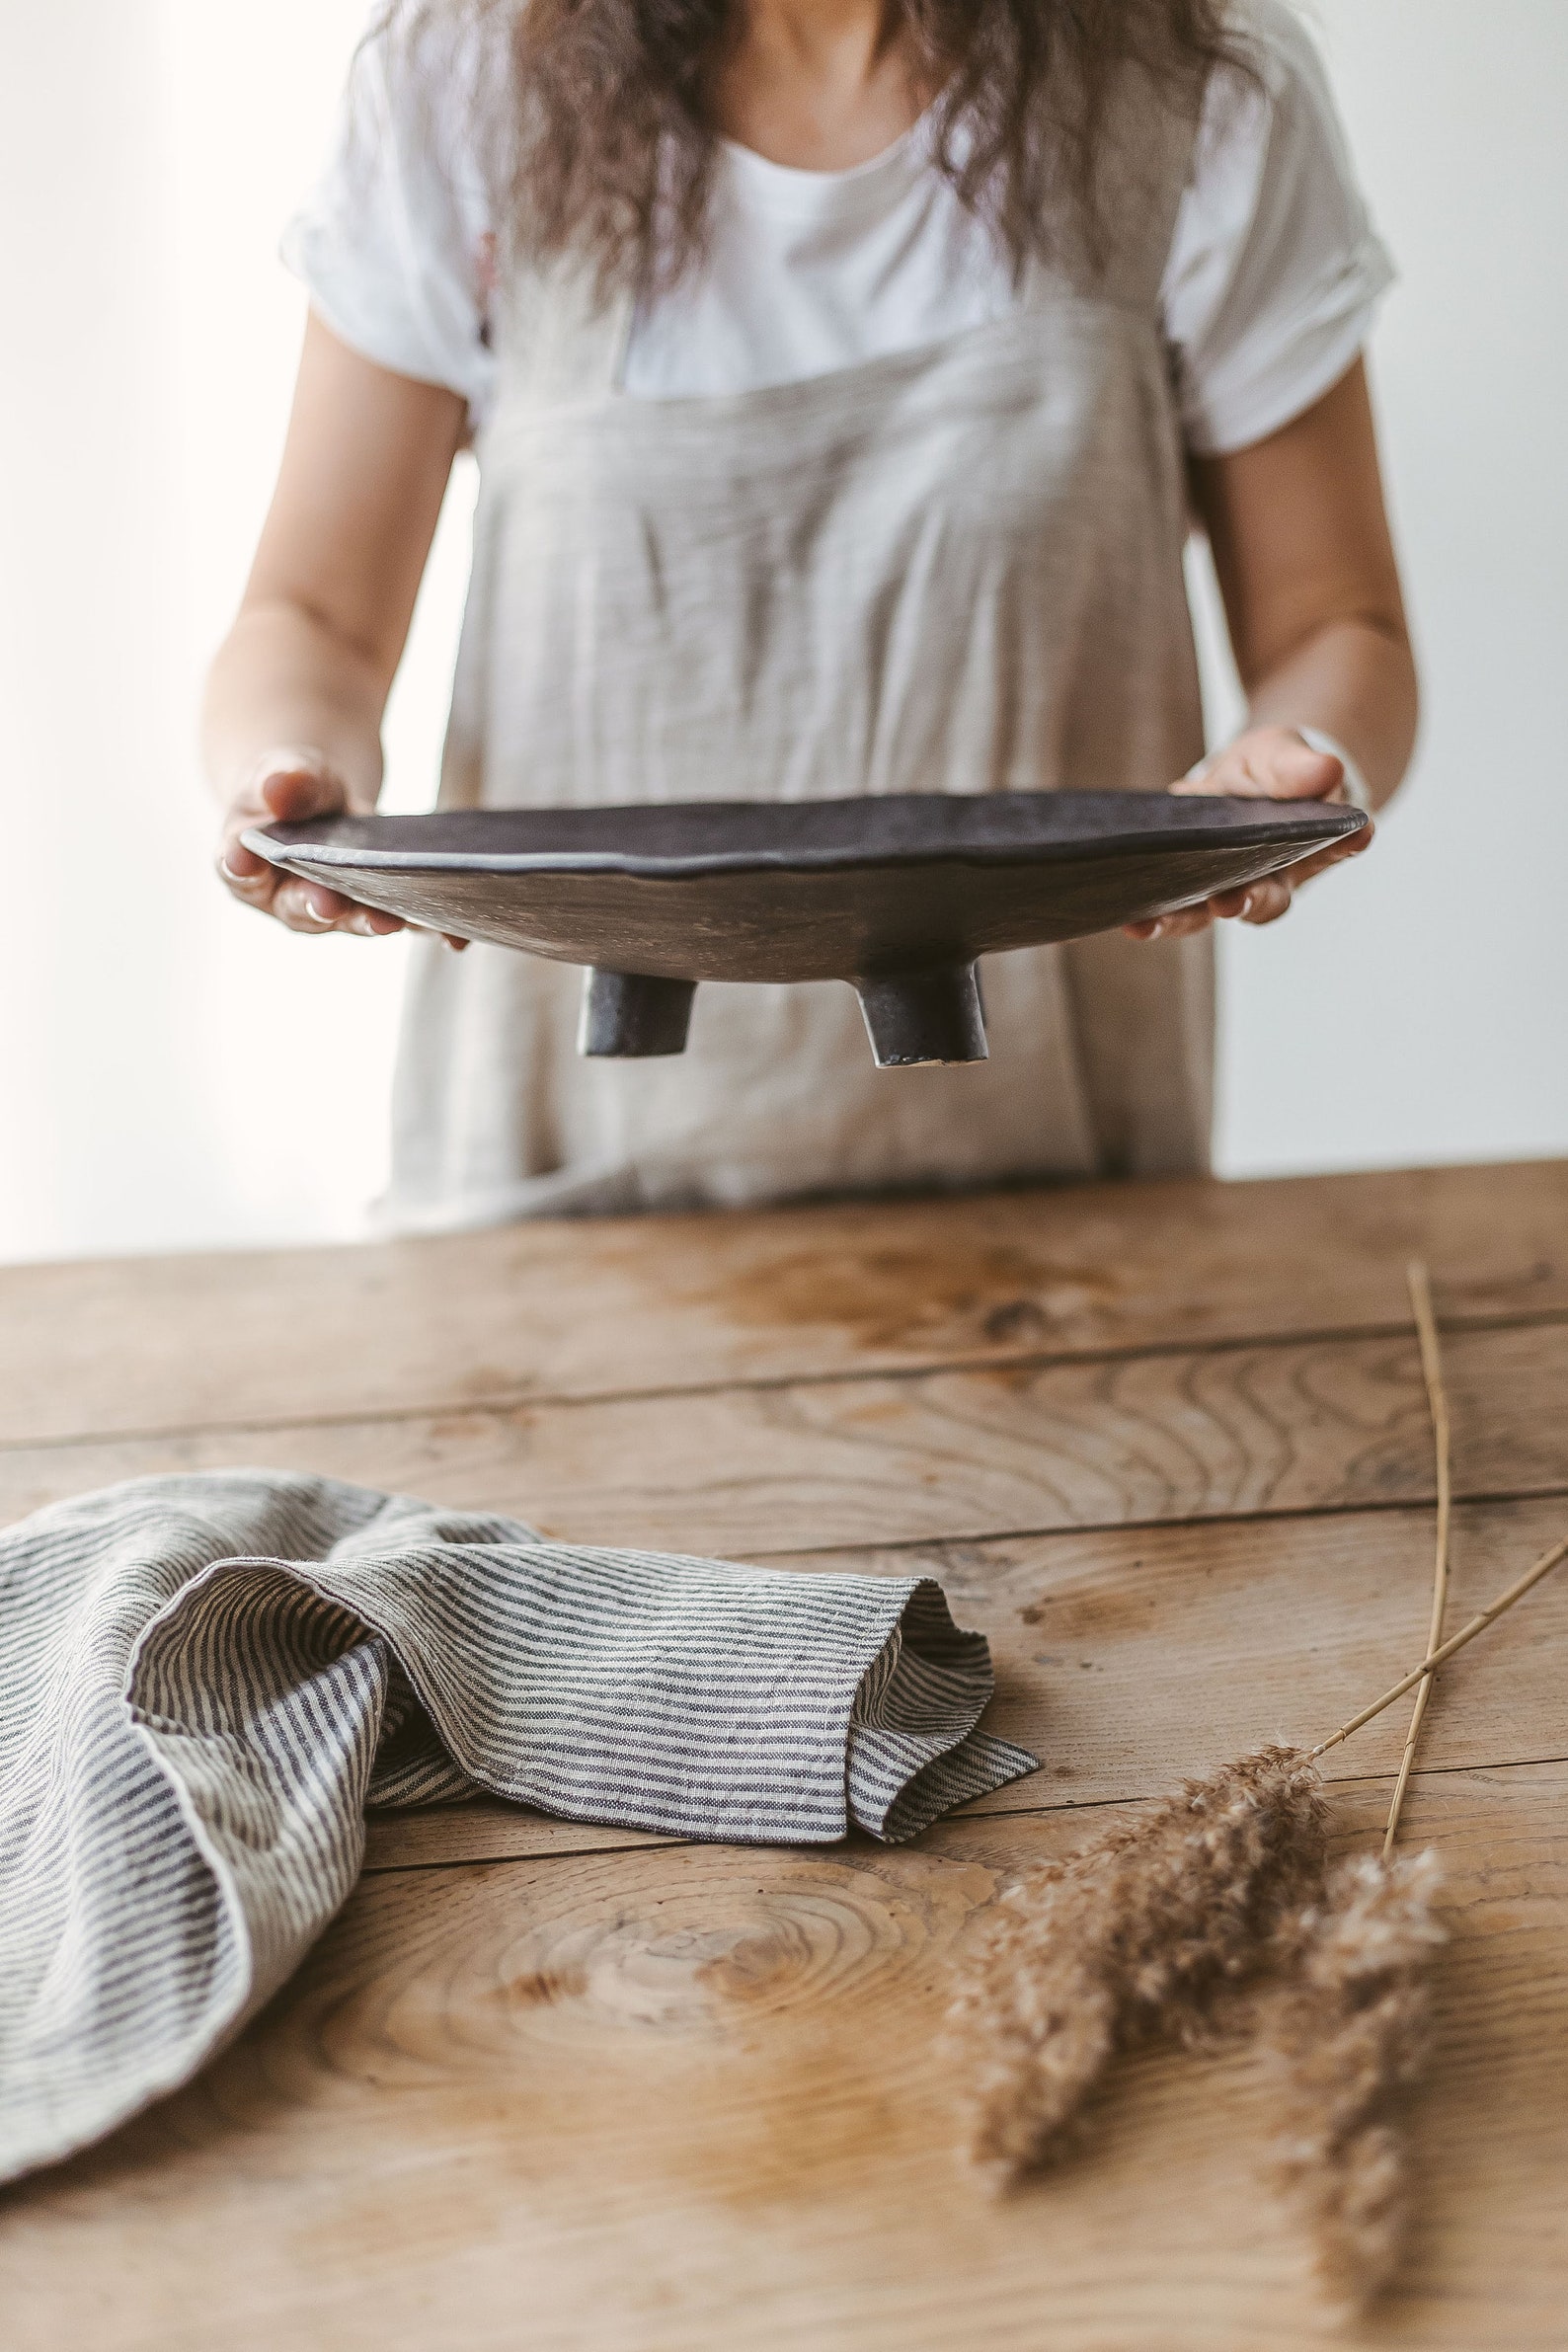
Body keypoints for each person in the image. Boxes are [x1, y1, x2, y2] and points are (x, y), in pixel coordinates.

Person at [206, 0, 1417, 1229]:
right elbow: (316, 618)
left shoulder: (1202, 91)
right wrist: (286, 779)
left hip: (1060, 1202)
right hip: (539, 1200)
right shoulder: (459, 83)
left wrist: (1296, 764)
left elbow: (1336, 624)